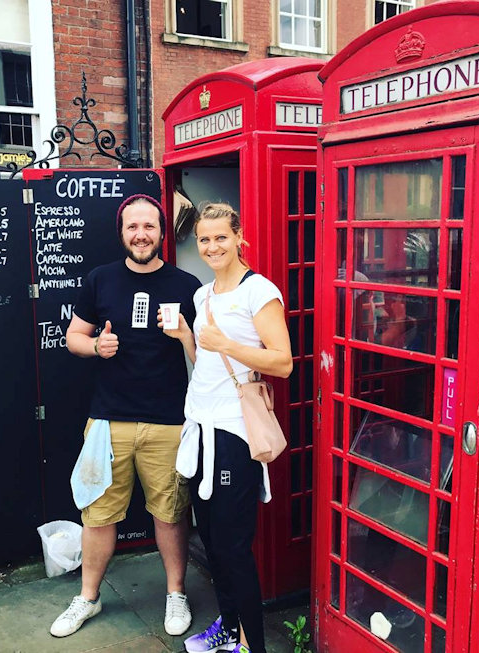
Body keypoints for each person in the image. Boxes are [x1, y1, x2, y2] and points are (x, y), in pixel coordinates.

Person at [50, 194, 201, 638]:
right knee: (98, 513)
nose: (141, 234)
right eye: (133, 227)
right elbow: (72, 336)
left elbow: (205, 360)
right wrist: (96, 345)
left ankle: (176, 594)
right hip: (107, 420)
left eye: (149, 226)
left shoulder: (187, 285)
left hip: (170, 420)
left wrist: (185, 335)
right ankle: (88, 597)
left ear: (161, 233)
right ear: (122, 232)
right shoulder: (100, 280)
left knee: (171, 513)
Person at [163, 203, 293, 653]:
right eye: (204, 239)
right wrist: (187, 338)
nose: (212, 246)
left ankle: (252, 645)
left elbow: (283, 362)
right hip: (198, 429)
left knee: (235, 549)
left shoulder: (259, 292)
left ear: (240, 237)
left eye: (221, 237)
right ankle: (226, 629)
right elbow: (210, 363)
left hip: (233, 435)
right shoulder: (202, 296)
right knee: (213, 545)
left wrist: (227, 342)